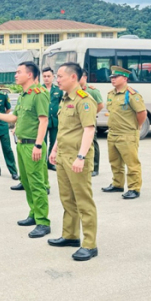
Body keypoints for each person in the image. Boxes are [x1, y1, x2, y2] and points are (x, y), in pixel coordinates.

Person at [0, 63, 51, 237]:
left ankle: (43, 222)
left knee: (37, 184)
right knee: (27, 183)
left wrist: (38, 145)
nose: (15, 75)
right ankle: (34, 213)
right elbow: (14, 117)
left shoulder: (39, 94)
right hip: (22, 144)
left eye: (18, 72)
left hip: (33, 145)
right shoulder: (24, 95)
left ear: (29, 75)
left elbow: (43, 121)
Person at [48, 62, 98, 261]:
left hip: (77, 158)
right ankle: (70, 235)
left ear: (73, 78)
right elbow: (64, 129)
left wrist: (81, 157)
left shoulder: (84, 100)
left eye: (60, 76)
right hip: (62, 156)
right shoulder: (64, 98)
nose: (56, 79)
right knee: (67, 199)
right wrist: (54, 149)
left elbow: (89, 129)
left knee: (83, 201)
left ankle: (89, 244)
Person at [102, 66, 147, 200]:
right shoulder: (111, 93)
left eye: (116, 77)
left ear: (125, 78)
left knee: (131, 163)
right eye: (112, 78)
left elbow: (142, 113)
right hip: (113, 132)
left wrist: (137, 126)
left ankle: (134, 188)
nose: (113, 80)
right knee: (115, 162)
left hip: (127, 133)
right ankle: (117, 184)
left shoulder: (132, 95)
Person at [80, 69, 104, 177]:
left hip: (89, 121)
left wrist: (91, 114)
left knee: (92, 143)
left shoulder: (92, 90)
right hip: (79, 122)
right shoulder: (73, 90)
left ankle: (95, 167)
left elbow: (100, 105)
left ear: (85, 78)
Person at [42, 67, 61, 172]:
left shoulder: (58, 90)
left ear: (53, 77)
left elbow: (61, 104)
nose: (46, 78)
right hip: (43, 121)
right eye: (44, 76)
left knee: (54, 142)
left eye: (48, 76)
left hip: (55, 121)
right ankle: (43, 162)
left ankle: (51, 163)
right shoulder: (39, 89)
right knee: (43, 142)